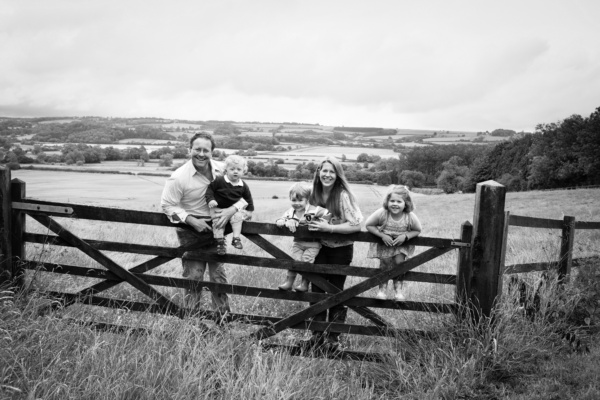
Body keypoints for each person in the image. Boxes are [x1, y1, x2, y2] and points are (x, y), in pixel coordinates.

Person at [161, 132, 247, 318]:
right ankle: (192, 322)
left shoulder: (223, 171)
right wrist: (192, 221)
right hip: (190, 230)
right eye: (197, 149)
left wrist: (232, 211)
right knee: (193, 277)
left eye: (205, 150)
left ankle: (222, 320)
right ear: (190, 150)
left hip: (217, 228)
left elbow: (239, 193)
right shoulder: (179, 177)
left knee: (218, 277)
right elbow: (167, 205)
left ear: (212, 152)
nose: (201, 154)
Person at [304, 156, 363, 350]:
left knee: (336, 291)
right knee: (317, 290)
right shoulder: (315, 193)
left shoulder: (343, 195)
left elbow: (355, 224)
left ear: (337, 175)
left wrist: (328, 228)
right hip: (319, 247)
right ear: (318, 172)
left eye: (332, 171)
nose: (327, 175)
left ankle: (333, 338)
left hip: (341, 249)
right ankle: (316, 335)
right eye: (325, 171)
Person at [365, 185, 422, 301]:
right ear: (387, 201)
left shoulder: (409, 216)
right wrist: (382, 235)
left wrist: (405, 236)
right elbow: (368, 225)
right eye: (392, 201)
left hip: (401, 246)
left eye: (399, 201)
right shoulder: (383, 213)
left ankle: (398, 291)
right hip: (385, 245)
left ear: (406, 203)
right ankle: (382, 290)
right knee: (384, 265)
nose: (395, 204)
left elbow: (417, 230)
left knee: (399, 265)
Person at [276, 182, 330, 292]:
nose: (296, 203)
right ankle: (288, 283)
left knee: (306, 262)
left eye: (300, 200)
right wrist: (283, 221)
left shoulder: (314, 210)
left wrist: (322, 222)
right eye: (293, 200)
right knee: (295, 262)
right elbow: (280, 220)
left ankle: (304, 284)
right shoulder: (291, 212)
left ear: (307, 199)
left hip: (313, 244)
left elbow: (328, 212)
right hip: (298, 243)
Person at [206, 154, 254, 255]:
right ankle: (220, 243)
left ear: (243, 171)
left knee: (238, 218)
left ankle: (236, 238)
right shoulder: (219, 180)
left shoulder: (243, 185)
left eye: (239, 169)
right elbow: (209, 190)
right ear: (226, 169)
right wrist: (211, 200)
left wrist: (249, 211)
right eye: (232, 169)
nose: (235, 171)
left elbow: (248, 198)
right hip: (218, 209)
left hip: (234, 211)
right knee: (218, 224)